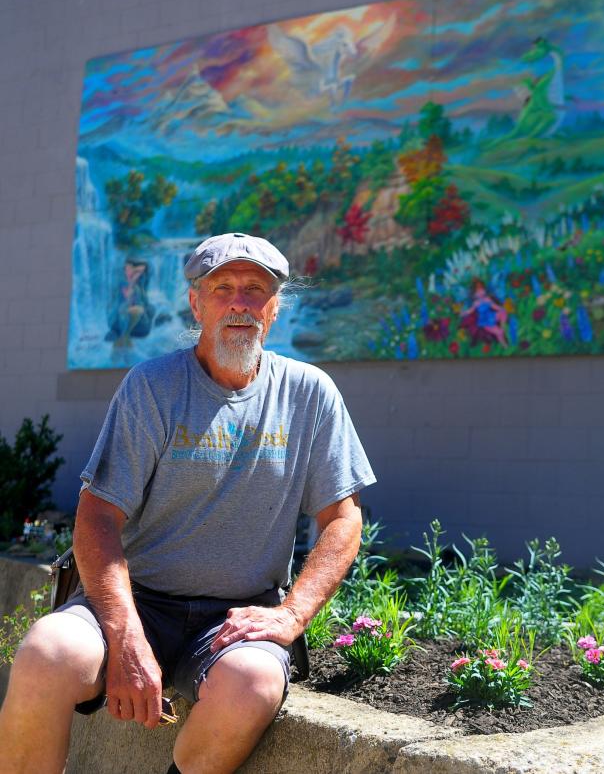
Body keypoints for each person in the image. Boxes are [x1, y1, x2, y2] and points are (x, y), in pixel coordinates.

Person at [0, 232, 376, 774]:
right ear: (196, 302)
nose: (240, 303)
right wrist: (126, 635)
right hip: (139, 600)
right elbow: (97, 515)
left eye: (256, 290)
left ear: (275, 309)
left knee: (255, 682)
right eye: (223, 288)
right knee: (46, 654)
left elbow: (343, 518)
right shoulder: (152, 387)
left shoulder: (310, 393)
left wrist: (292, 614)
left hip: (237, 616)